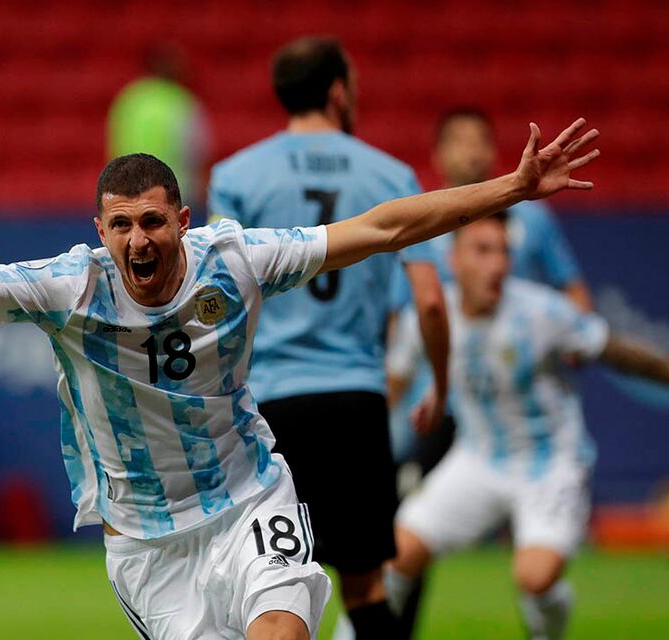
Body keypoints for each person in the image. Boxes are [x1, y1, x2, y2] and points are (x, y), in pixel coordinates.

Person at [0, 117, 599, 640]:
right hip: (147, 544)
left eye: (152, 222)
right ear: (97, 228)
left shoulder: (237, 259)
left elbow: (382, 227)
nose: (137, 241)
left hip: (251, 495)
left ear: (184, 218)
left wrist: (507, 189)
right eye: (120, 226)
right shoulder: (72, 286)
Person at [208, 36, 449, 639]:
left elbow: (215, 298)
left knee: (272, 580)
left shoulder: (236, 175)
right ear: (339, 90)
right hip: (358, 400)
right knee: (366, 587)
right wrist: (441, 385)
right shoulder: (392, 174)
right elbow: (429, 300)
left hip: (271, 408)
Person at [385, 212, 669, 640]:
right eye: (483, 250)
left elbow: (615, 351)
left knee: (534, 578)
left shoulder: (543, 312)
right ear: (454, 257)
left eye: (503, 252)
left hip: (550, 464)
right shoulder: (427, 316)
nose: (497, 264)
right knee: (397, 554)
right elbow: (391, 384)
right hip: (477, 459)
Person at [386, 107, 596, 637]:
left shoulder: (531, 215)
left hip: (516, 399)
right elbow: (408, 315)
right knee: (405, 539)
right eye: (458, 141)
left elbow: (571, 289)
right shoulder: (422, 218)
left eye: (481, 140)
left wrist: (577, 334)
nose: (471, 152)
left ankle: (541, 598)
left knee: (533, 569)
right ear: (438, 155)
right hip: (447, 406)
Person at [108, 42, 212, 206]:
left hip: (130, 192)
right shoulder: (182, 101)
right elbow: (198, 153)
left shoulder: (129, 98)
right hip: (175, 194)